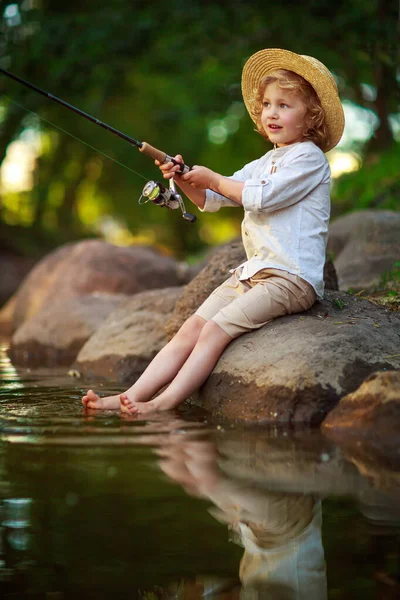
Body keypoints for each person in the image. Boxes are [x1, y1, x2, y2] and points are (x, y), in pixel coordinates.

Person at [82, 48, 345, 415]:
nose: (272, 112)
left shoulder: (308, 159)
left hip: (290, 279)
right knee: (191, 328)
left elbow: (259, 198)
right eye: (267, 104)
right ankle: (128, 397)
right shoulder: (266, 160)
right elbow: (213, 199)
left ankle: (162, 404)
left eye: (285, 105)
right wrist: (187, 179)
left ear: (312, 116)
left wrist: (214, 178)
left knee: (213, 331)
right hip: (255, 275)